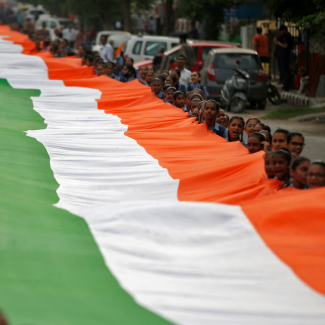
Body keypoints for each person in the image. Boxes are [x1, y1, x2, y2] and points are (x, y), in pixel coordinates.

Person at [274, 25, 293, 91]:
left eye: (281, 32)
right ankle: (285, 85)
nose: (281, 34)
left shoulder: (287, 36)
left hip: (286, 56)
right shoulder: (284, 36)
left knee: (286, 71)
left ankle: (287, 86)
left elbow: (285, 46)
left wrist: (279, 43)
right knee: (284, 71)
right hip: (283, 56)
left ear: (284, 30)